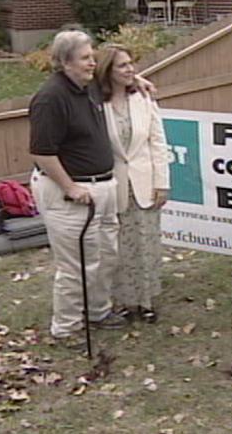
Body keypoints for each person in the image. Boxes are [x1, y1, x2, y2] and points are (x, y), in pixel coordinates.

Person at [28, 30, 127, 346]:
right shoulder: (50, 98)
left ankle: (98, 311)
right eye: (85, 58)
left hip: (103, 187)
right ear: (65, 62)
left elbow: (121, 78)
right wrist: (70, 187)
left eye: (92, 56)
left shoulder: (89, 87)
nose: (92, 62)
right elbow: (42, 152)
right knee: (76, 266)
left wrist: (141, 82)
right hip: (71, 194)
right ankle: (66, 328)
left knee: (106, 255)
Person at [95, 43, 170, 324]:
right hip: (113, 184)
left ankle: (147, 300)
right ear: (108, 71)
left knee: (146, 243)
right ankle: (123, 301)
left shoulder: (143, 98)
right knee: (119, 247)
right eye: (123, 66)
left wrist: (162, 182)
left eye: (131, 64)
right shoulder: (95, 103)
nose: (131, 69)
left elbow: (158, 142)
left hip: (145, 182)